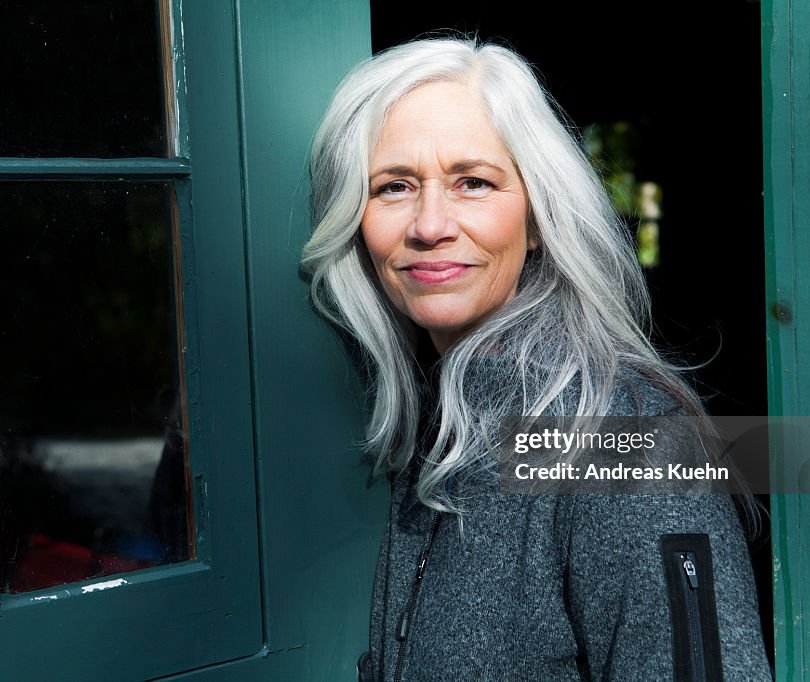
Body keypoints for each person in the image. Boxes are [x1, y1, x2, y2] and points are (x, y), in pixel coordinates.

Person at [301, 38, 770, 681]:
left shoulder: (623, 440)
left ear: (539, 213)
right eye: (393, 186)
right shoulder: (437, 409)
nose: (429, 223)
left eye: (473, 182)